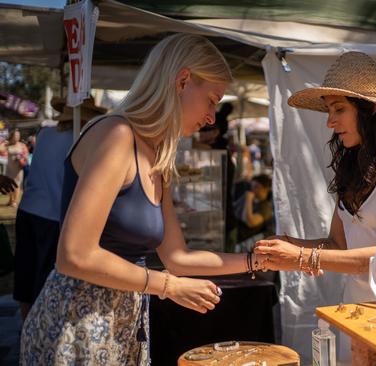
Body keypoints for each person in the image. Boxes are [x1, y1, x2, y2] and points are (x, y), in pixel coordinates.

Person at [20, 33, 270, 365]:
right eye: (211, 99)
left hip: (124, 323)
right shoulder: (117, 135)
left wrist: (259, 261)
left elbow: (178, 257)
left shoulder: (157, 156)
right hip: (78, 325)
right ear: (182, 81)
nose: (212, 117)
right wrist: (168, 286)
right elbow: (74, 255)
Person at [253, 52, 376, 361]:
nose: (329, 121)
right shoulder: (354, 165)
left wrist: (301, 257)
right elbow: (338, 244)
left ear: (371, 108)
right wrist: (286, 248)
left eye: (339, 109)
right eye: (328, 110)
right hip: (355, 313)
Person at [12, 97, 106, 321]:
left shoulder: (45, 134)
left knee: (26, 273)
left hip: (29, 209)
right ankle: (40, 330)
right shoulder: (80, 138)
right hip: (54, 215)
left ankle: (26, 331)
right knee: (46, 279)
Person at [234, 174, 273, 243]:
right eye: (252, 186)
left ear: (266, 189)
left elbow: (250, 222)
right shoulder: (252, 199)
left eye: (256, 187)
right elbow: (234, 208)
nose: (253, 189)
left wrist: (248, 199)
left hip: (242, 240)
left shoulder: (266, 207)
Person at [4, 129, 29, 207]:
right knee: (8, 185)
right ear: (12, 136)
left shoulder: (22, 145)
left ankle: (15, 201)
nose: (17, 137)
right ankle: (10, 200)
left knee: (17, 185)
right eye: (15, 135)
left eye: (18, 135)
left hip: (18, 168)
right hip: (9, 168)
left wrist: (22, 158)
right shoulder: (7, 144)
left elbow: (27, 155)